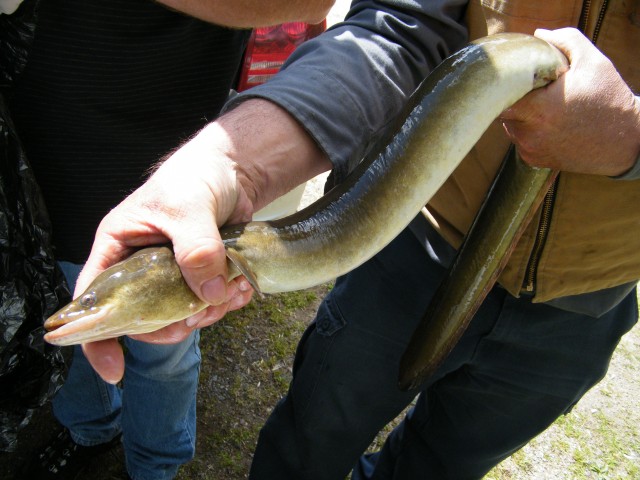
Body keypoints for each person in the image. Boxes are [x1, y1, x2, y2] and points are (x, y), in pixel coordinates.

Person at [62, 0, 639, 478]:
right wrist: (232, 164)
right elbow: (400, 27)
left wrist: (629, 139)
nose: (82, 311)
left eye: (90, 302)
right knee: (310, 440)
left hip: (589, 298)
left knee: (440, 467)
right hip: (413, 250)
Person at [8, 0, 334, 479]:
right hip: (41, 165)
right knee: (69, 320)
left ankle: (155, 466)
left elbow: (310, 4)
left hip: (172, 164)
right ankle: (91, 431)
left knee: (167, 348)